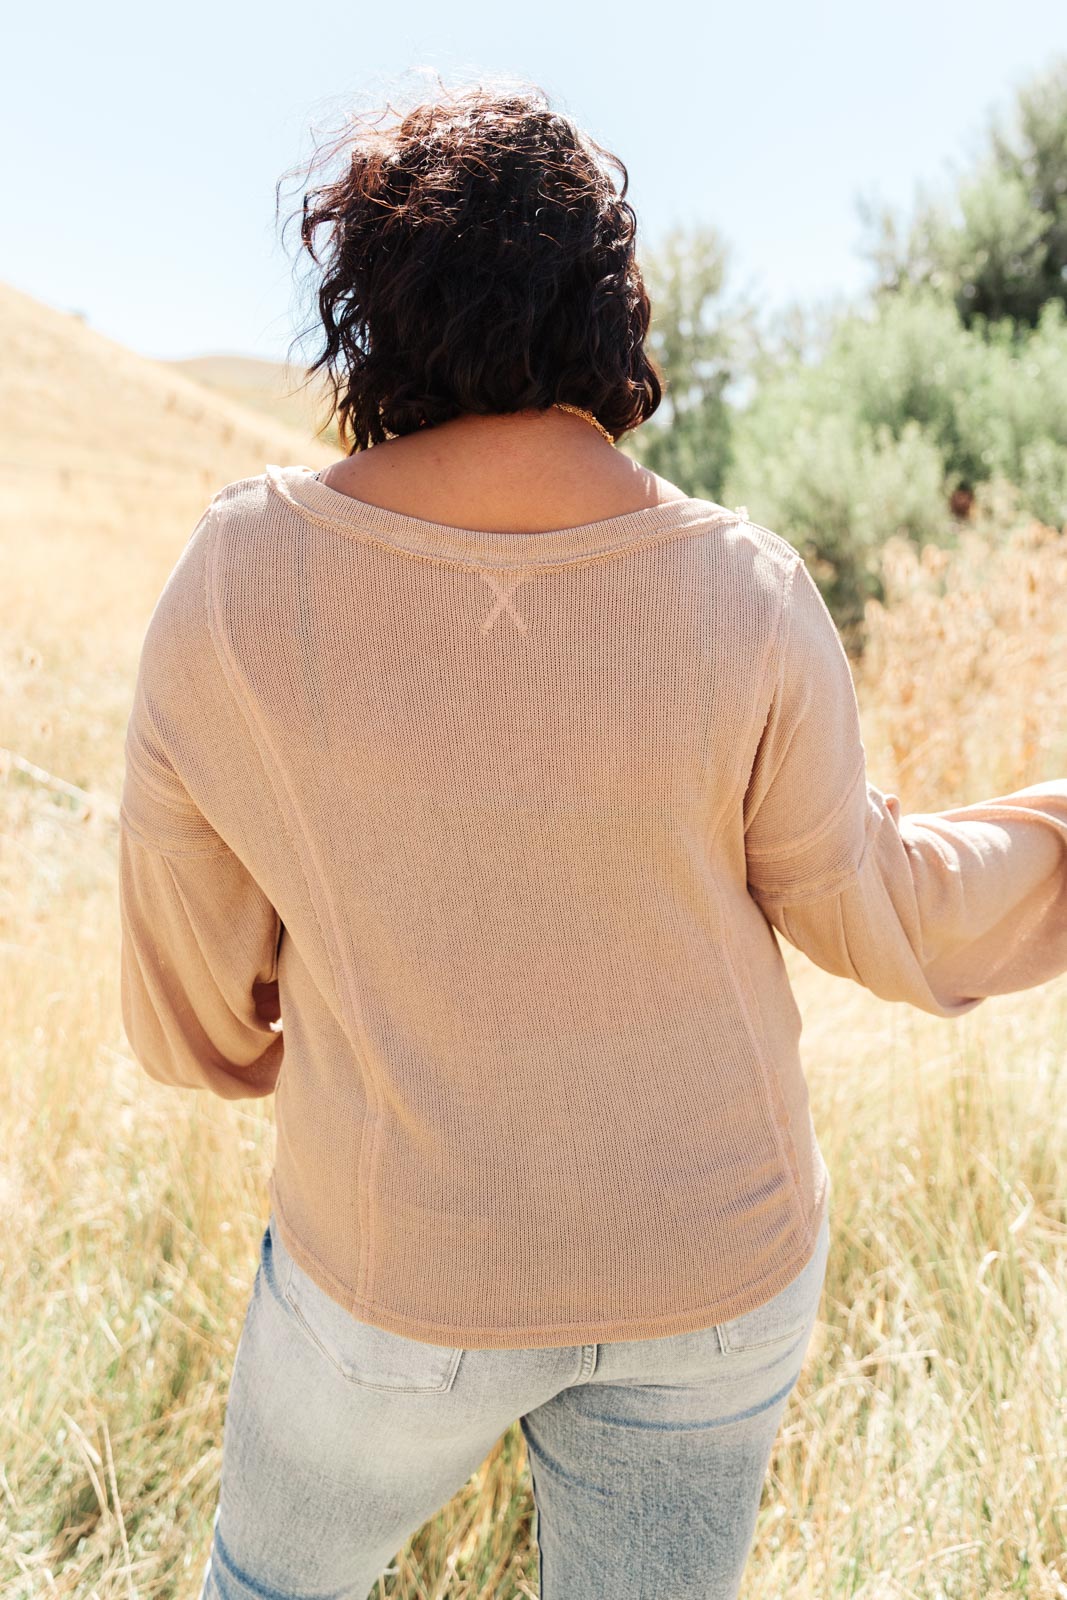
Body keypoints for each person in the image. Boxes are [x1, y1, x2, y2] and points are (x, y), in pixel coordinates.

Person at [115, 80, 1067, 1600]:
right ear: (610, 306)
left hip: (392, 1275)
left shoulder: (240, 577)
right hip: (717, 1267)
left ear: (368, 306)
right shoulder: (740, 587)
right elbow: (876, 903)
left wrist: (257, 1046)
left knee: (265, 1585)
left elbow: (191, 985)